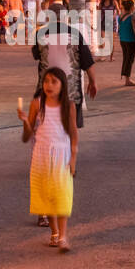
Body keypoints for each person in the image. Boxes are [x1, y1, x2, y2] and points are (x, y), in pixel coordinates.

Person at [19, 66, 78, 251]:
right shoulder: (37, 104)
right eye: (46, 81)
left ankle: (63, 237)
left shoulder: (69, 106)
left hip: (62, 155)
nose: (49, 85)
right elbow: (26, 136)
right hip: (42, 155)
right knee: (48, 196)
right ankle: (54, 233)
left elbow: (74, 133)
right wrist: (26, 122)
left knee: (61, 194)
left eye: (54, 81)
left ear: (62, 85)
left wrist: (74, 158)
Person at [117, 0, 135, 86]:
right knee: (129, 59)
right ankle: (127, 80)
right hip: (131, 40)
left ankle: (126, 77)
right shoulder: (132, 17)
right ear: (131, 7)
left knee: (126, 58)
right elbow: (134, 29)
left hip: (123, 40)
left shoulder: (120, 17)